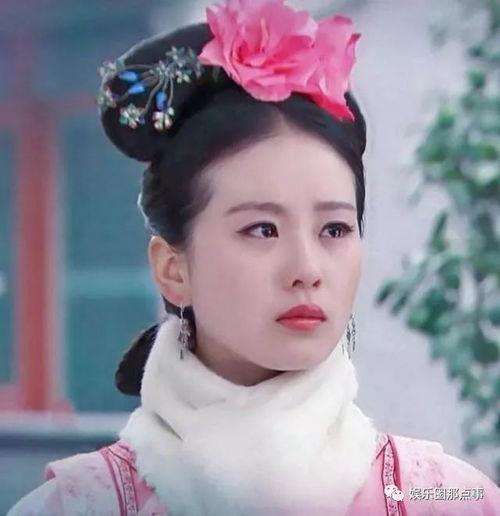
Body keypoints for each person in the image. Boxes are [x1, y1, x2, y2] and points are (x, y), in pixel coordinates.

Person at [8, 0, 500, 514]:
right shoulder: (79, 506)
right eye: (262, 229)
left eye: (334, 229)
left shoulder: (443, 497)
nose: (307, 270)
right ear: (173, 269)